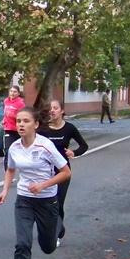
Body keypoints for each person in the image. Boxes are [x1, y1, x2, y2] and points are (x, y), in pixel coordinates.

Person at [0, 107, 71, 259]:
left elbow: (65, 172)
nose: (21, 124)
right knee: (22, 244)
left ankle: (58, 225)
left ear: (36, 124)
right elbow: (10, 169)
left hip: (47, 201)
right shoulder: (14, 147)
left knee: (48, 247)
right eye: (18, 121)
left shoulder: (45, 146)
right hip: (24, 201)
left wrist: (43, 185)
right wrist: (5, 190)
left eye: (26, 121)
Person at [39, 99, 88, 245]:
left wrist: (74, 152)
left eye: (55, 108)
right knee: (46, 204)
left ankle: (56, 234)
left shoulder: (69, 128)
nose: (52, 111)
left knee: (58, 203)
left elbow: (84, 146)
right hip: (45, 172)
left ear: (62, 111)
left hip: (63, 171)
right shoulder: (42, 129)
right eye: (50, 108)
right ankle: (57, 229)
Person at [2, 85, 26, 170]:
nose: (12, 93)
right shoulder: (6, 101)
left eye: (15, 92)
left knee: (21, 151)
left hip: (18, 130)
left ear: (18, 93)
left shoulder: (20, 103)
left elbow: (23, 116)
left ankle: (25, 170)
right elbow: (5, 113)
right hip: (8, 130)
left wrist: (13, 116)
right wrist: (4, 120)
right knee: (8, 151)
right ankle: (7, 173)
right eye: (11, 91)